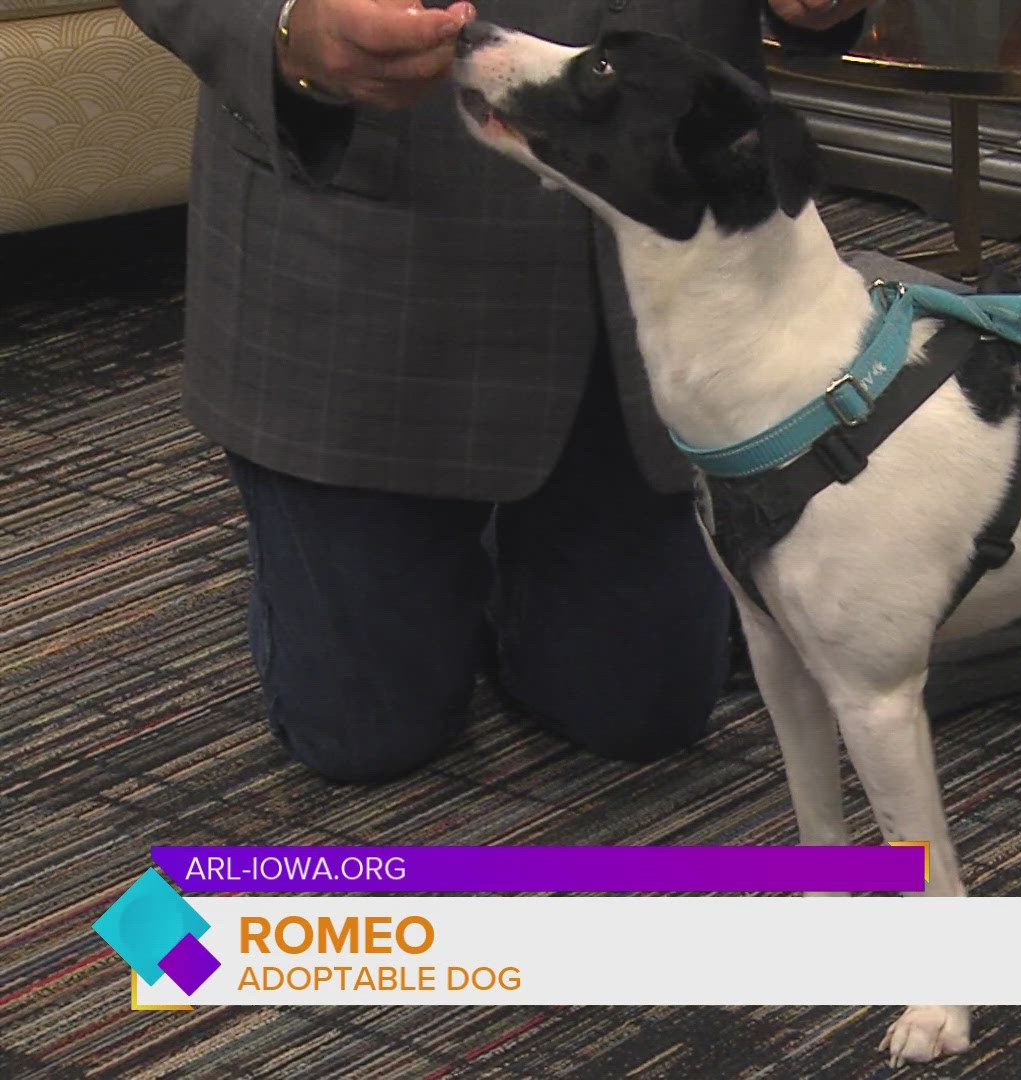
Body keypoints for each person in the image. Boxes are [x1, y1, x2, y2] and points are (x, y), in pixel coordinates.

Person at [118, 0, 875, 783]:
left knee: (643, 717)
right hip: (363, 232)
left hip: (661, 253)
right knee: (365, 736)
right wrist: (281, 26)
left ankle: (519, 554)